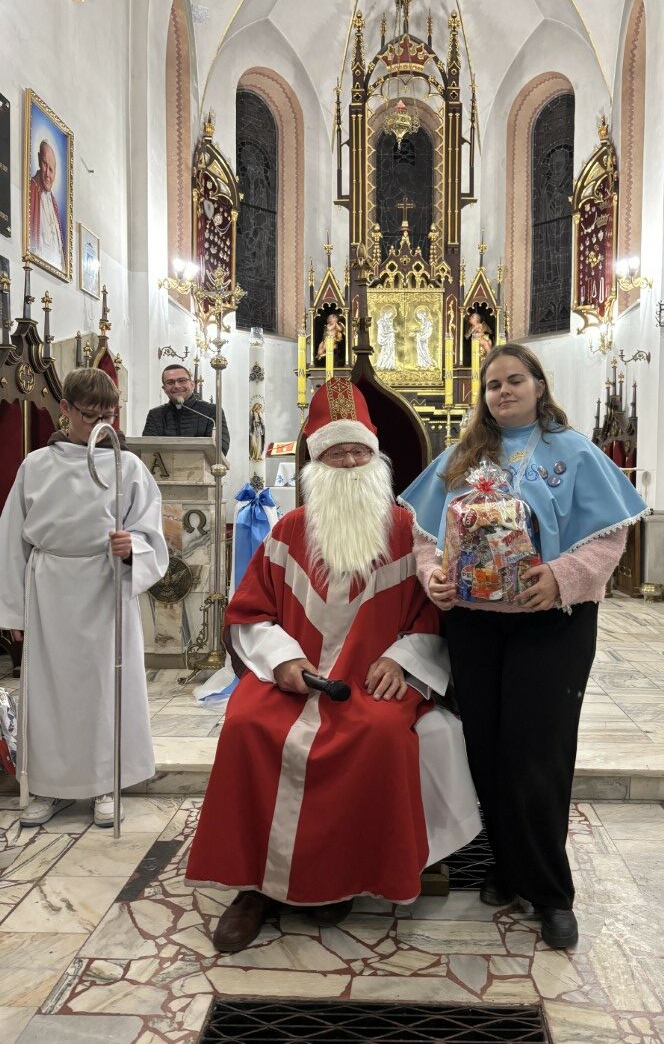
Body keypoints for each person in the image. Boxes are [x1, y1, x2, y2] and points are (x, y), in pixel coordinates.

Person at [186, 377, 480, 951]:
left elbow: (433, 614)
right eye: (334, 452)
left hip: (371, 678)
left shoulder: (407, 530)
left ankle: (339, 879)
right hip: (294, 679)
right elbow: (249, 612)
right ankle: (255, 886)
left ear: (377, 458)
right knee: (247, 724)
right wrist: (282, 662)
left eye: (357, 452)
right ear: (315, 463)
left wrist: (402, 660)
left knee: (379, 735)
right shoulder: (288, 531)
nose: (347, 462)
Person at [399, 343, 648, 950]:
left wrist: (562, 577)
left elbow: (608, 538)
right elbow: (425, 534)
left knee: (539, 752)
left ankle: (551, 892)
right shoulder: (463, 457)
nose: (503, 391)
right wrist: (433, 575)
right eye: (493, 385)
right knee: (485, 748)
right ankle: (506, 867)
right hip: (476, 624)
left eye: (515, 380)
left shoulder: (573, 451)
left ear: (539, 385)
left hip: (551, 623)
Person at [0, 368, 168, 827]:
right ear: (65, 409)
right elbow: (12, 538)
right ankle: (49, 786)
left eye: (107, 416)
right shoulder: (36, 465)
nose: (99, 425)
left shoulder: (128, 467)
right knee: (50, 693)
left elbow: (152, 534)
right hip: (49, 590)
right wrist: (14, 609)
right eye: (89, 416)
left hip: (105, 585)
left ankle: (105, 783)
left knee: (104, 689)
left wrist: (132, 547)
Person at [142, 364, 230, 454]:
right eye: (170, 382)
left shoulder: (212, 411)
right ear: (164, 389)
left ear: (192, 384)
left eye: (182, 380)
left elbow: (221, 448)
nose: (176, 386)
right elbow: (147, 450)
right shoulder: (155, 414)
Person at [28, 140, 65, 271]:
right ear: (39, 160)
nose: (47, 174)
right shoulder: (31, 189)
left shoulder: (54, 204)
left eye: (51, 169)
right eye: (45, 164)